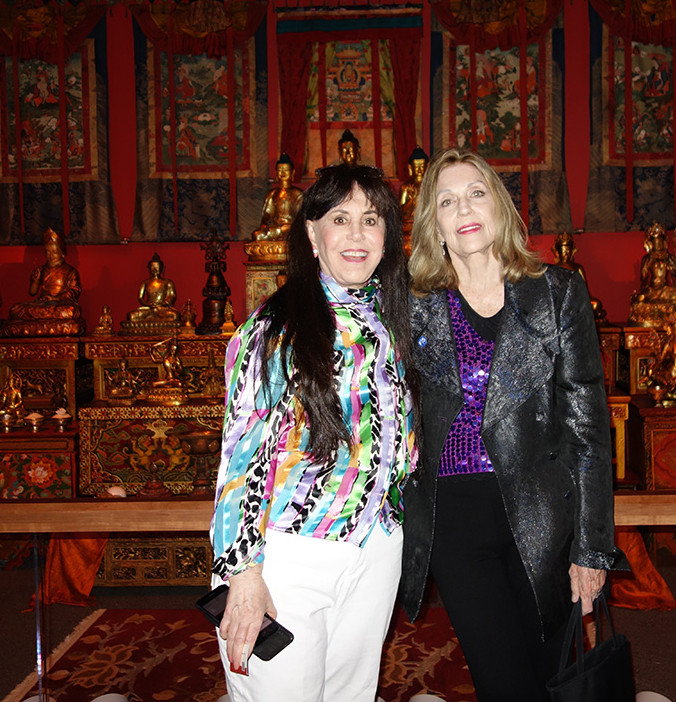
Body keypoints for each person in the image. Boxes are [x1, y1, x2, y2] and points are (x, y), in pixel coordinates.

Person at [400, 148, 623, 702]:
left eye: (476, 192)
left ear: (498, 206)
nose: (464, 207)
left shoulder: (558, 293)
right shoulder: (410, 303)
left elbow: (590, 432)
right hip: (455, 519)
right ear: (435, 223)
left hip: (544, 517)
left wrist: (591, 549)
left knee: (550, 678)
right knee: (505, 684)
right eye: (447, 200)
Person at [210, 163, 416, 701]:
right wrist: (244, 574)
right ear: (311, 233)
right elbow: (241, 459)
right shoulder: (277, 328)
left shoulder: (391, 322)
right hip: (288, 557)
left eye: (371, 220)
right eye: (340, 218)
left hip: (374, 549)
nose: (356, 234)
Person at [251, 155, 304, 242]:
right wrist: (264, 224)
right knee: (257, 235)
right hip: (274, 228)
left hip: (289, 227)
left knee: (289, 229)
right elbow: (267, 214)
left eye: (286, 170)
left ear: (292, 173)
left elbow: (301, 217)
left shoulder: (298, 194)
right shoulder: (272, 194)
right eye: (280, 170)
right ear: (276, 173)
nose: (283, 173)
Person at [127, 253, 181, 322]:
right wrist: (148, 304)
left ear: (162, 268)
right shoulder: (145, 283)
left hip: (162, 308)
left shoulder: (168, 282)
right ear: (148, 268)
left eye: (157, 267)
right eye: (152, 268)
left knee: (175, 315)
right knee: (131, 316)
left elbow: (172, 296)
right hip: (149, 308)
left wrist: (164, 303)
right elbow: (140, 298)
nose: (155, 270)